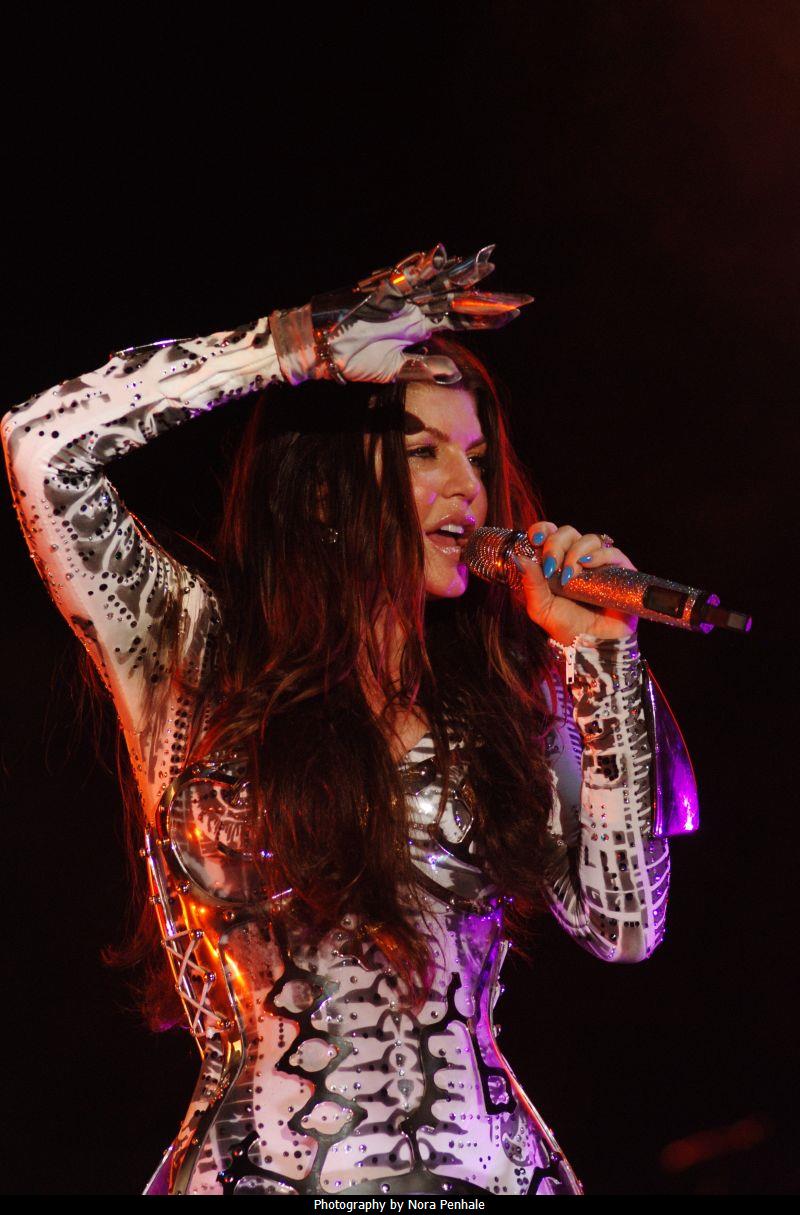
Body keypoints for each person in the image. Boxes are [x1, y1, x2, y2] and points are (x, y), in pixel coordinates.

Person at [1, 244, 683, 1197]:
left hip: (495, 1175)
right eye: (424, 452)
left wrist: (601, 655)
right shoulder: (191, 655)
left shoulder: (502, 695)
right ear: (325, 489)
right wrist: (296, 345)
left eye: (476, 457)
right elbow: (42, 447)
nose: (469, 488)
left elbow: (624, 927)